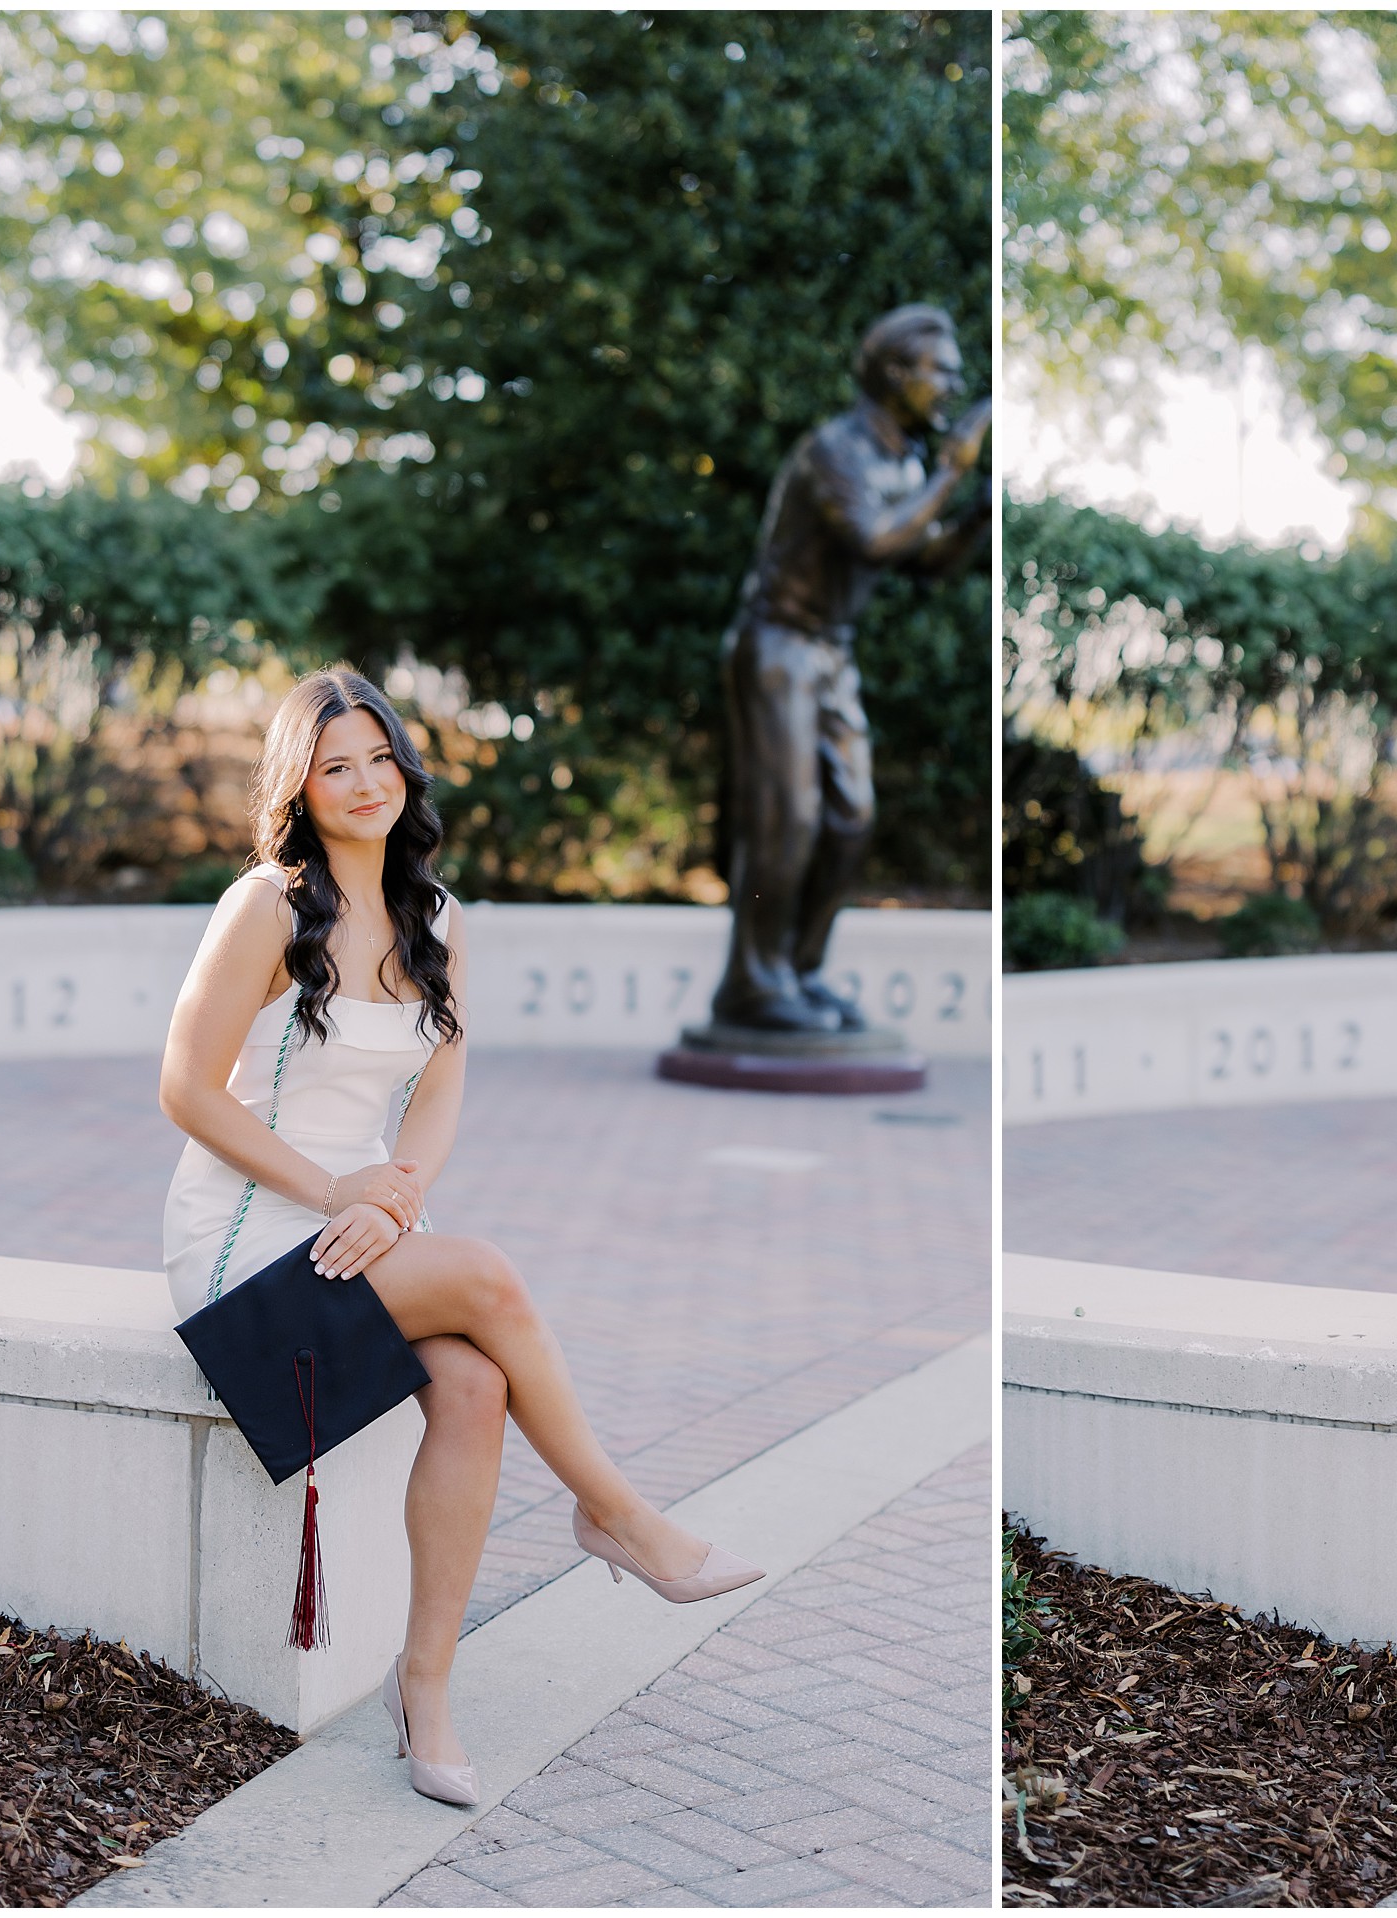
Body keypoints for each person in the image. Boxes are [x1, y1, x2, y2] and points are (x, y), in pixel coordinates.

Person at [159, 668, 761, 1809]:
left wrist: (389, 1197)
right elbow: (186, 1089)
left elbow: (439, 1092)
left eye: (379, 757)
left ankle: (425, 1686)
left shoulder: (437, 918)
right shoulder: (265, 907)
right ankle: (618, 1515)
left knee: (477, 1388)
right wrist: (337, 1184)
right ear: (300, 784)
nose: (364, 782)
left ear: (405, 768)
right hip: (246, 1236)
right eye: (336, 765)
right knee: (486, 1273)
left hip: (364, 1224)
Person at [710, 302, 992, 1032]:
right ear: (896, 372)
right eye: (944, 371)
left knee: (850, 820)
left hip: (832, 652)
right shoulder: (836, 449)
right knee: (788, 821)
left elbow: (922, 560)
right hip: (778, 645)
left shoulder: (903, 459)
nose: (956, 385)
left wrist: (976, 512)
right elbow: (872, 539)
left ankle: (798, 974)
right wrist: (955, 472)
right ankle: (751, 982)